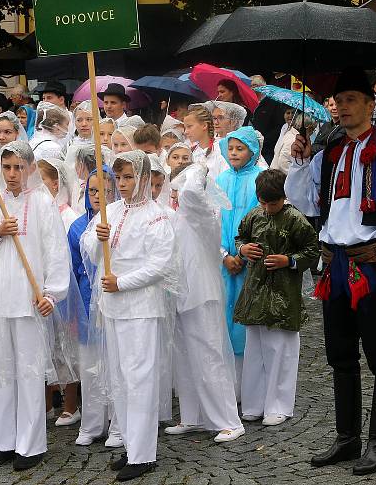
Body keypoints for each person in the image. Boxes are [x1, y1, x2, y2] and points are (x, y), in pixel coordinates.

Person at [286, 68, 376, 476]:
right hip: (334, 265)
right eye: (338, 100)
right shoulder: (329, 151)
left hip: (375, 264)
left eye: (351, 99)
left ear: (370, 104)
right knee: (341, 356)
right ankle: (346, 439)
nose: (342, 106)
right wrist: (299, 160)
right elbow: (306, 202)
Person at [0, 141, 75, 472]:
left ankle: (31, 444)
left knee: (28, 373)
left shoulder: (42, 203)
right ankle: (3, 442)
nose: (12, 174)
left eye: (18, 168)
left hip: (29, 302)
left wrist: (52, 293)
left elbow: (56, 252)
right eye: (7, 167)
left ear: (29, 169)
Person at [81, 150, 177, 481]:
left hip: (141, 308)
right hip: (114, 307)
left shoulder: (158, 217)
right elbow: (90, 251)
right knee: (120, 377)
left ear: (145, 178)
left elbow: (160, 264)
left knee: (140, 379)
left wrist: (123, 282)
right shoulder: (112, 211)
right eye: (118, 178)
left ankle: (144, 453)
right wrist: (99, 236)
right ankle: (130, 443)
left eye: (128, 177)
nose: (121, 185)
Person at [164, 163, 245, 443]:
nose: (173, 196)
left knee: (210, 354)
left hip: (202, 293)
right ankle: (194, 416)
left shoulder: (204, 213)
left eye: (177, 189)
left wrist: (196, 169)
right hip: (181, 293)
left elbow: (191, 193)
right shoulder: (180, 216)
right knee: (185, 357)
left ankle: (228, 420)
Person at [234, 169, 319, 427]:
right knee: (255, 350)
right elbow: (240, 237)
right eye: (264, 202)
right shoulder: (254, 215)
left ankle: (279, 404)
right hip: (255, 290)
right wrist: (242, 249)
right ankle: (253, 403)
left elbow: (312, 251)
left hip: (283, 292)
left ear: (284, 197)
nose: (268, 208)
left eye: (273, 203)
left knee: (281, 350)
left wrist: (290, 261)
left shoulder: (295, 219)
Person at [68, 167, 121, 446]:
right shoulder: (77, 227)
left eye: (103, 190)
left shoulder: (121, 219)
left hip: (113, 300)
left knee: (114, 365)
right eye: (92, 191)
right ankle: (91, 423)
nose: (97, 196)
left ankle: (116, 424)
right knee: (89, 368)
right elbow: (74, 270)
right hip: (87, 303)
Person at [216, 126, 265, 396]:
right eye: (231, 148)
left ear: (252, 151)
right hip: (225, 262)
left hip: (250, 260)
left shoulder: (259, 179)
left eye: (240, 149)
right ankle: (229, 387)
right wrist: (224, 254)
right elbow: (215, 220)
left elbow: (259, 219)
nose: (234, 153)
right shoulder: (220, 180)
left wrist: (243, 253)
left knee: (247, 322)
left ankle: (251, 386)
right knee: (225, 316)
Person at [251, 76, 287, 164]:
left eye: (254, 85)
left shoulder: (274, 103)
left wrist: (264, 140)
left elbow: (279, 126)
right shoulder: (251, 103)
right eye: (250, 86)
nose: (251, 88)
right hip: (253, 147)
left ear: (262, 87)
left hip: (268, 150)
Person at [185, 105, 227, 179]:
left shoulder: (220, 150)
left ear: (204, 125)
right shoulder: (192, 151)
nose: (186, 132)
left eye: (189, 126)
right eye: (185, 127)